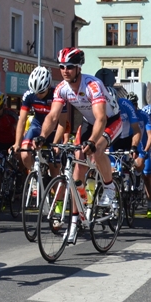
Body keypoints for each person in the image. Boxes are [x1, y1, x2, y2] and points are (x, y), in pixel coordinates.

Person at [38, 47, 122, 241]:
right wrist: (42, 136)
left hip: (110, 121)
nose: (65, 70)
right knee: (77, 170)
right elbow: (52, 116)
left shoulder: (93, 85)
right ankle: (76, 218)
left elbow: (101, 118)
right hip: (88, 122)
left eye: (69, 67)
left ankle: (109, 187)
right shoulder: (62, 88)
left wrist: (92, 141)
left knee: (97, 150)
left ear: (78, 68)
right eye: (61, 67)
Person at [15, 67, 68, 175]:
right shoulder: (29, 95)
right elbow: (22, 121)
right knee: (24, 154)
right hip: (37, 127)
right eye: (35, 92)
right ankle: (35, 176)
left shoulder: (58, 96)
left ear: (48, 86)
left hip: (53, 131)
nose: (38, 95)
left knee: (54, 170)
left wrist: (56, 144)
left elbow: (62, 123)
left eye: (41, 92)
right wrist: (17, 143)